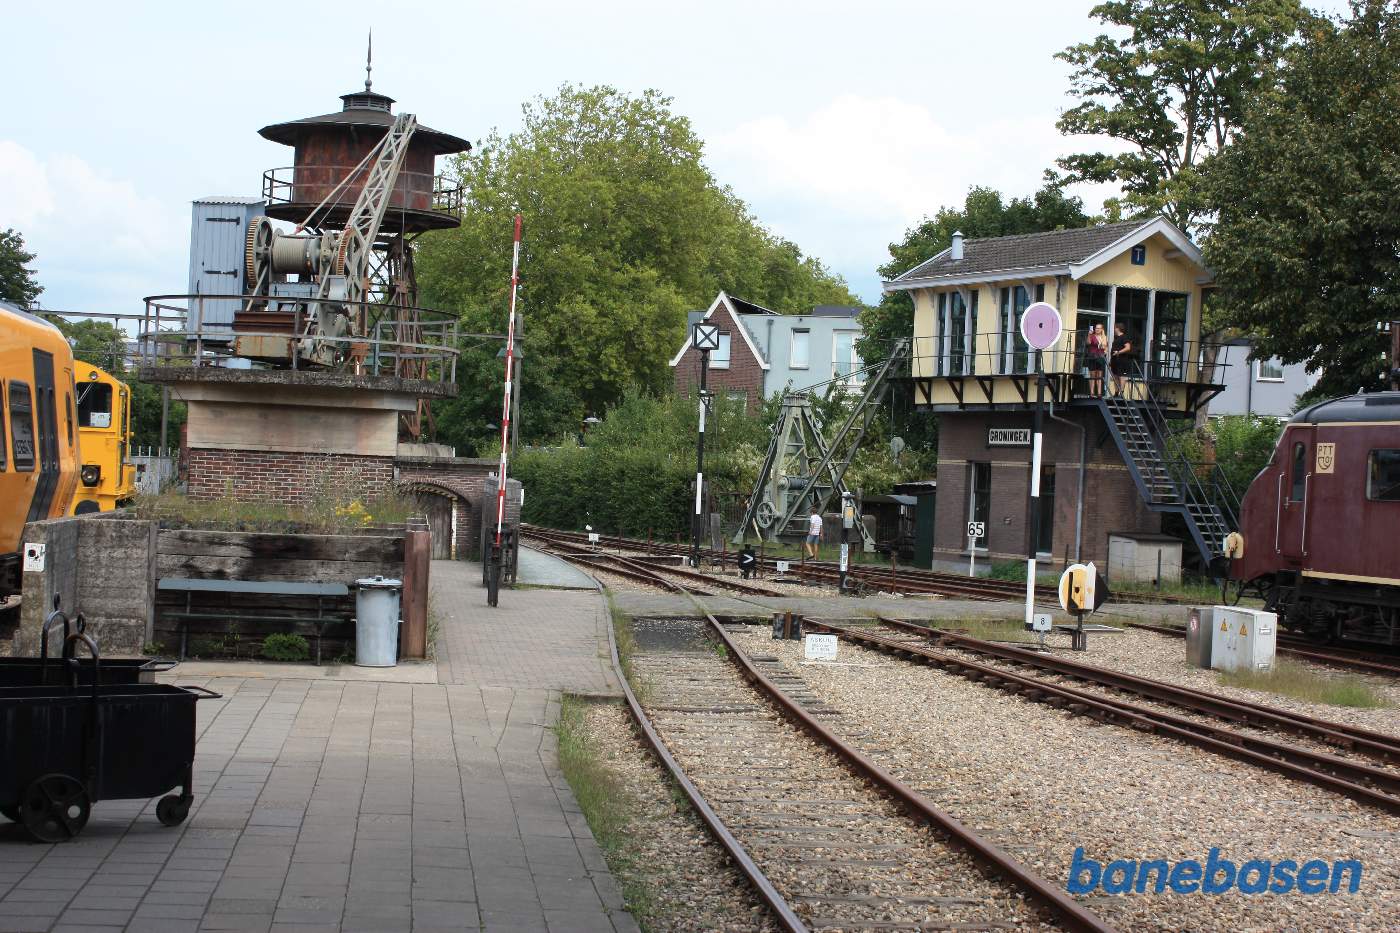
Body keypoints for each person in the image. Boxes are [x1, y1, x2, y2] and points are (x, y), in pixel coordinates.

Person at [1110, 323, 1135, 397]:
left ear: (1118, 328)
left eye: (1115, 328)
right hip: (1114, 360)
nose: (1114, 329)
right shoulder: (1116, 338)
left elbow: (1128, 347)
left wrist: (1118, 352)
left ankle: (1122, 392)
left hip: (1121, 360)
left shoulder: (1124, 337)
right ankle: (1116, 392)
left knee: (1121, 375)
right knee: (1115, 376)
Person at [1084, 323, 1107, 397]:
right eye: (1096, 328)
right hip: (1092, 356)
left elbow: (1104, 347)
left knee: (1099, 376)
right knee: (1092, 375)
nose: (1097, 329)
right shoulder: (1092, 336)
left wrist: (1102, 345)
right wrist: (1089, 335)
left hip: (1100, 357)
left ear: (1102, 329)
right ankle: (1092, 393)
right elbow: (1088, 343)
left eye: (1099, 328)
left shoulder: (1104, 337)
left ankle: (1099, 393)